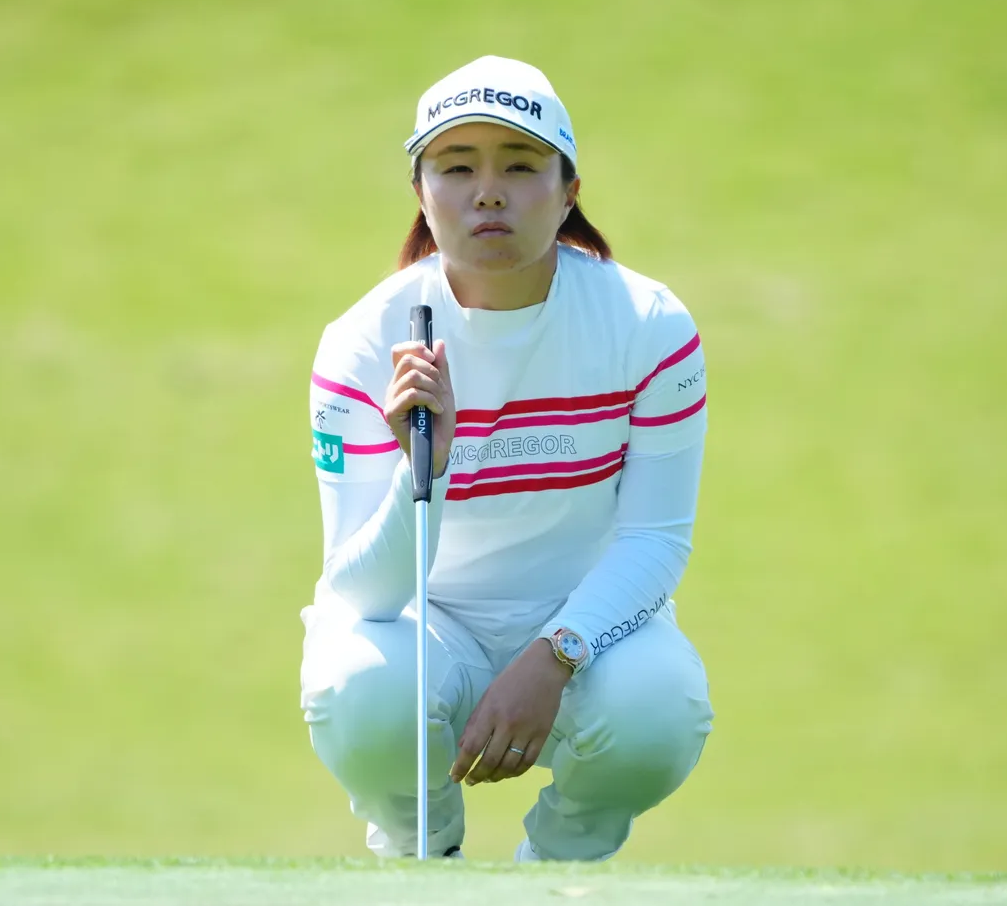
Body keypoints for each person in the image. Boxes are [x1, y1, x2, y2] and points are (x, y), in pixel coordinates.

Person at [299, 55, 714, 862]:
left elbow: (656, 540)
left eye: (520, 167)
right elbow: (361, 591)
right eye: (457, 167)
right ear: (421, 192)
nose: (488, 192)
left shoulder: (648, 324)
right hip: (426, 628)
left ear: (568, 191)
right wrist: (427, 467)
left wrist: (555, 653)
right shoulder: (364, 341)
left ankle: (557, 871)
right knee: (360, 690)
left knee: (659, 707)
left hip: (586, 624)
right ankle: (423, 860)